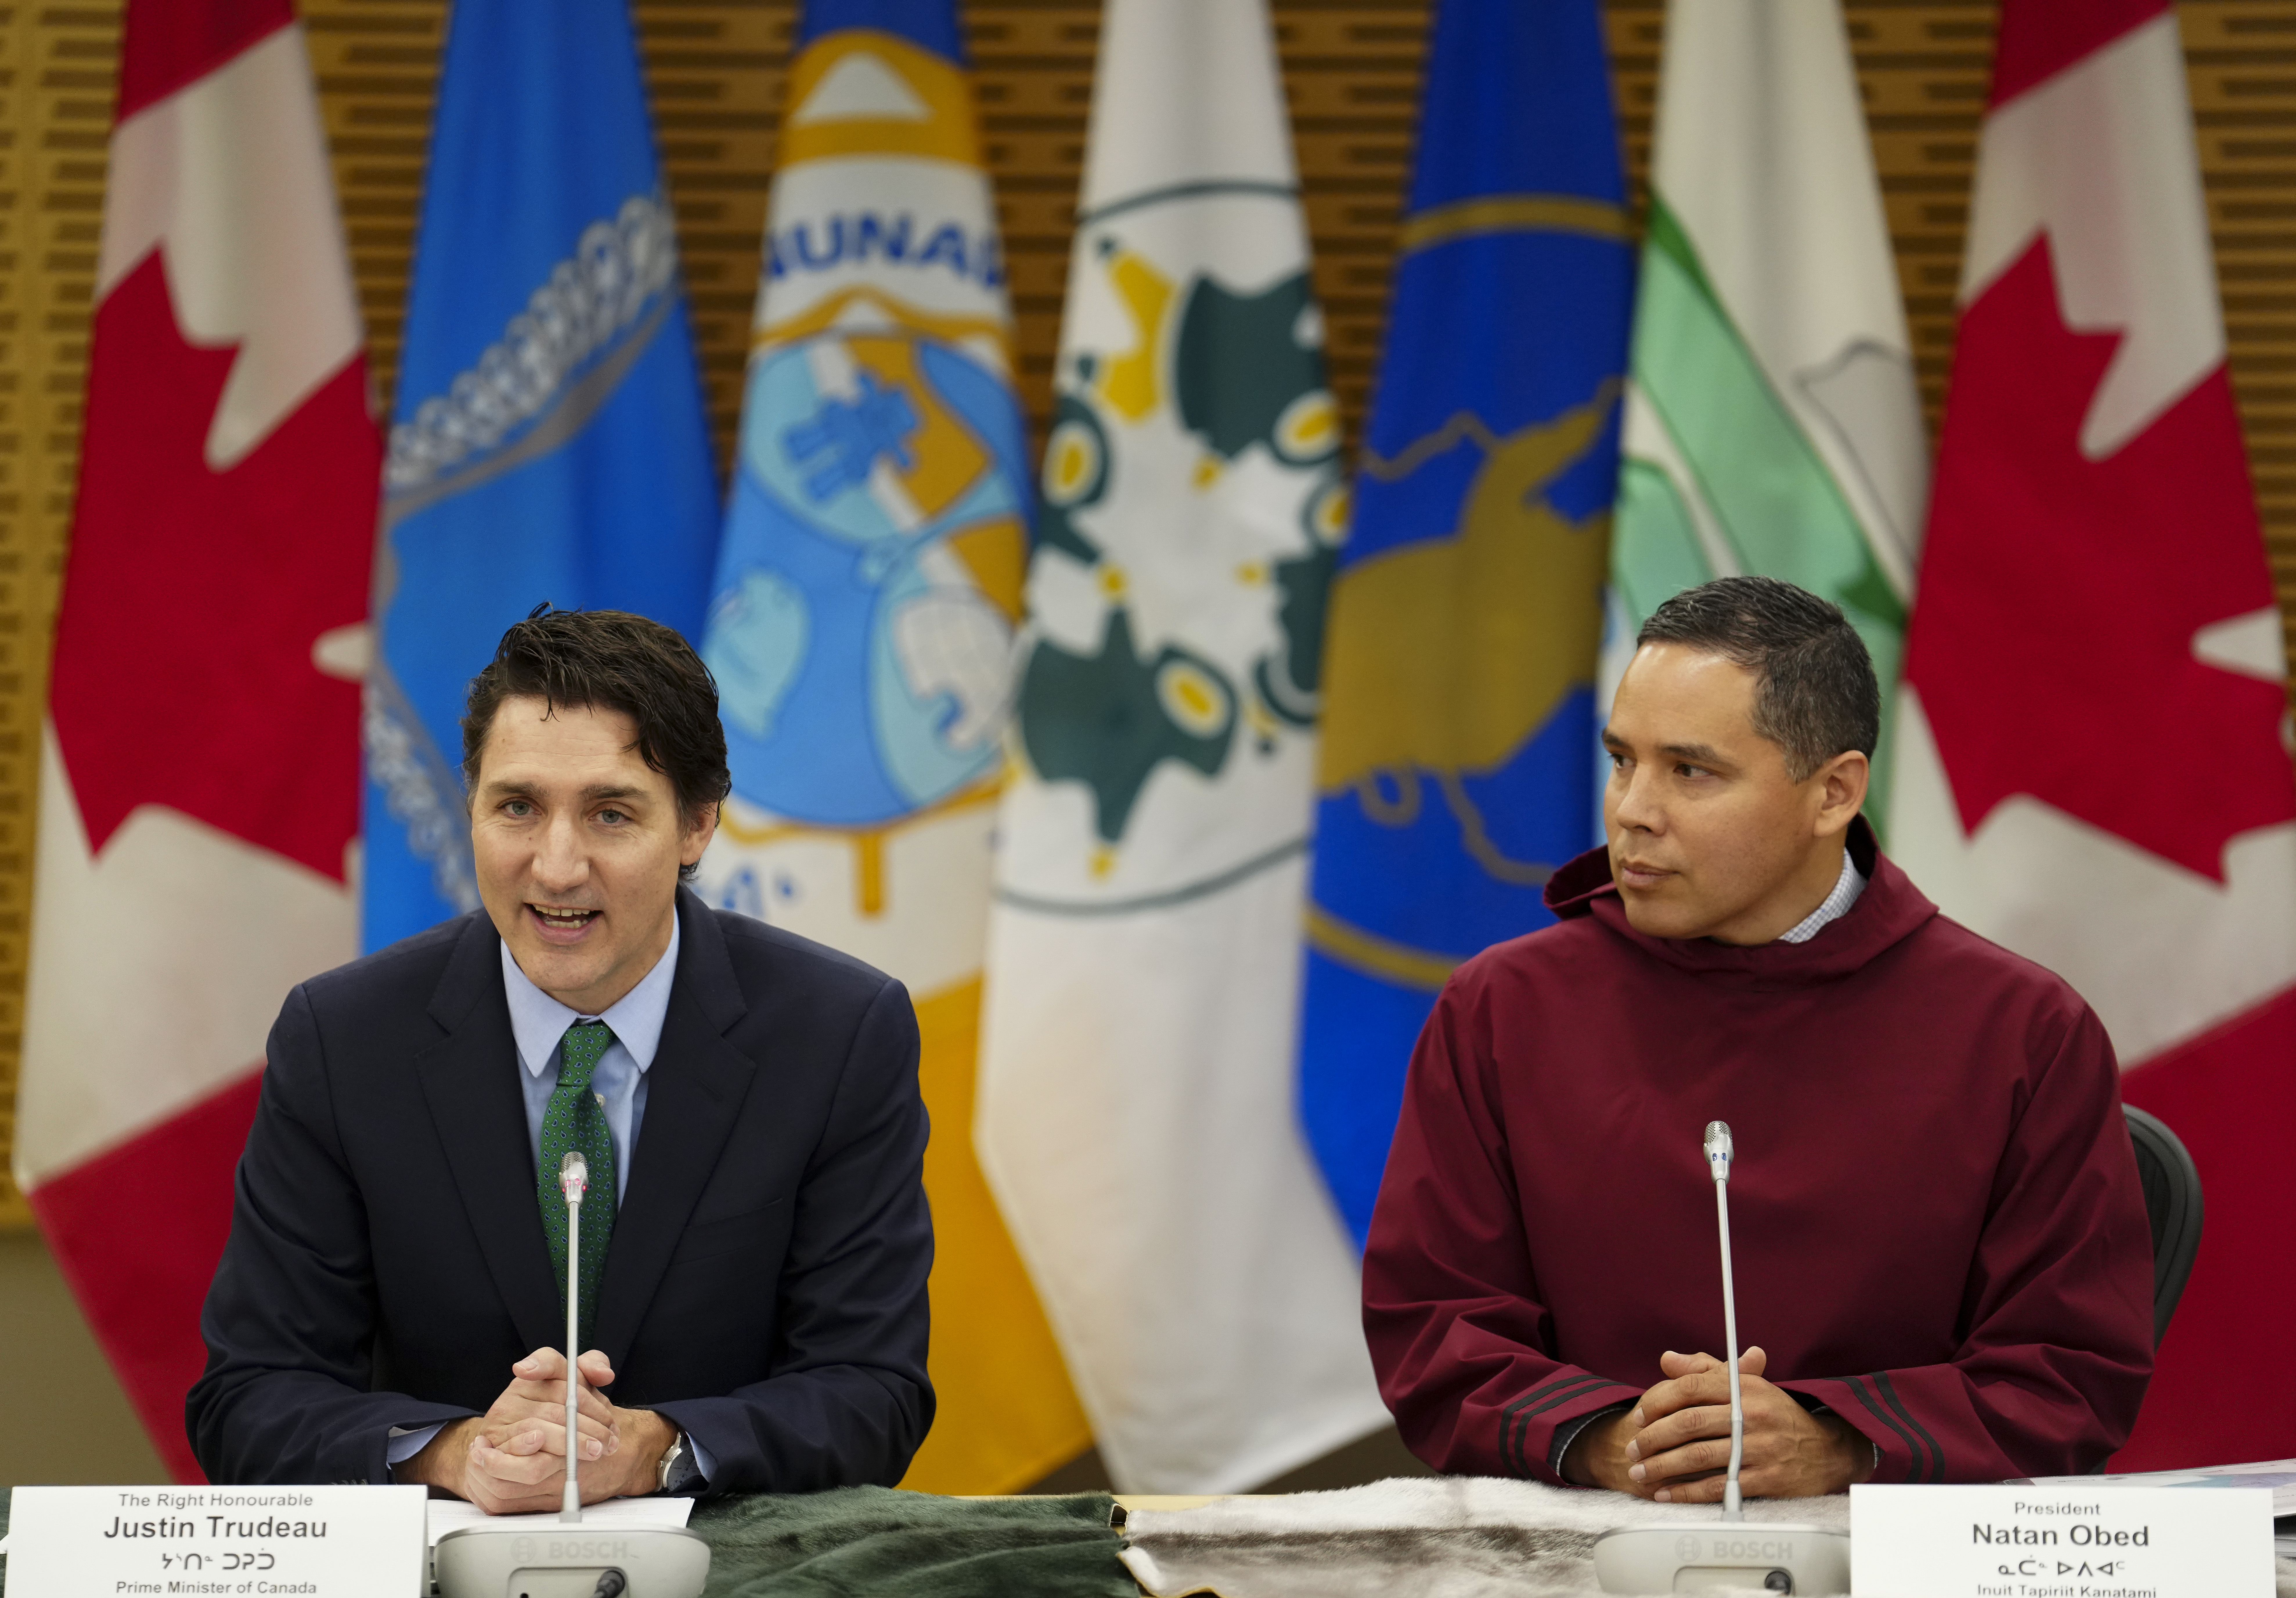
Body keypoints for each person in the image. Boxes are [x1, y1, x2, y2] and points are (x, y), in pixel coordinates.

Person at [1361, 576, 2153, 1499]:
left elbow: (2069, 1370)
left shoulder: (2023, 1033)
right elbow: (1434, 1327)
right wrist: (1613, 1436)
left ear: (1833, 793)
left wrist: (1839, 1442)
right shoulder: (1501, 1009)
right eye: (1624, 760)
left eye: (1690, 771)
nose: (1632, 810)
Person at [188, 609, 933, 1503]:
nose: (557, 865)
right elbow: (250, 1394)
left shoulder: (839, 1033)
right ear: (470, 808)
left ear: (697, 827)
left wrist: (655, 1447)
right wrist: (452, 1452)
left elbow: (871, 1390)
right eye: (518, 807)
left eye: (610, 813)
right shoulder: (343, 1040)